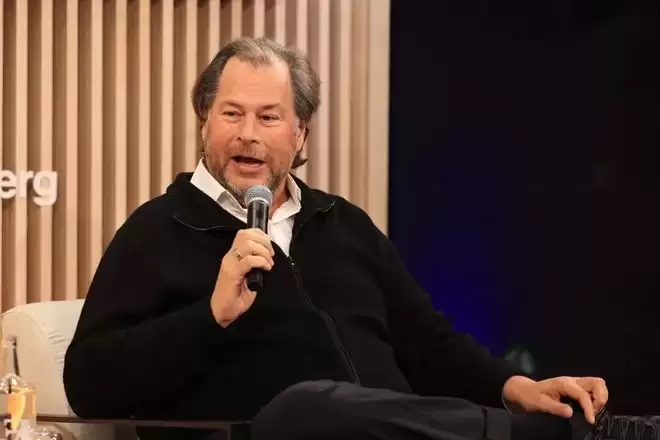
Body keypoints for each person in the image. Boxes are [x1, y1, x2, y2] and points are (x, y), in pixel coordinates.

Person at [63, 37, 611, 440]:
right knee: (305, 409)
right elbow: (89, 382)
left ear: (300, 132)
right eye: (231, 114)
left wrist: (518, 387)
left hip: (388, 432)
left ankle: (559, 430)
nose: (248, 134)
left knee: (354, 408)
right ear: (205, 122)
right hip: (264, 434)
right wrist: (210, 316)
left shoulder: (341, 222)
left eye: (268, 117)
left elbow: (427, 339)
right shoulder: (160, 229)